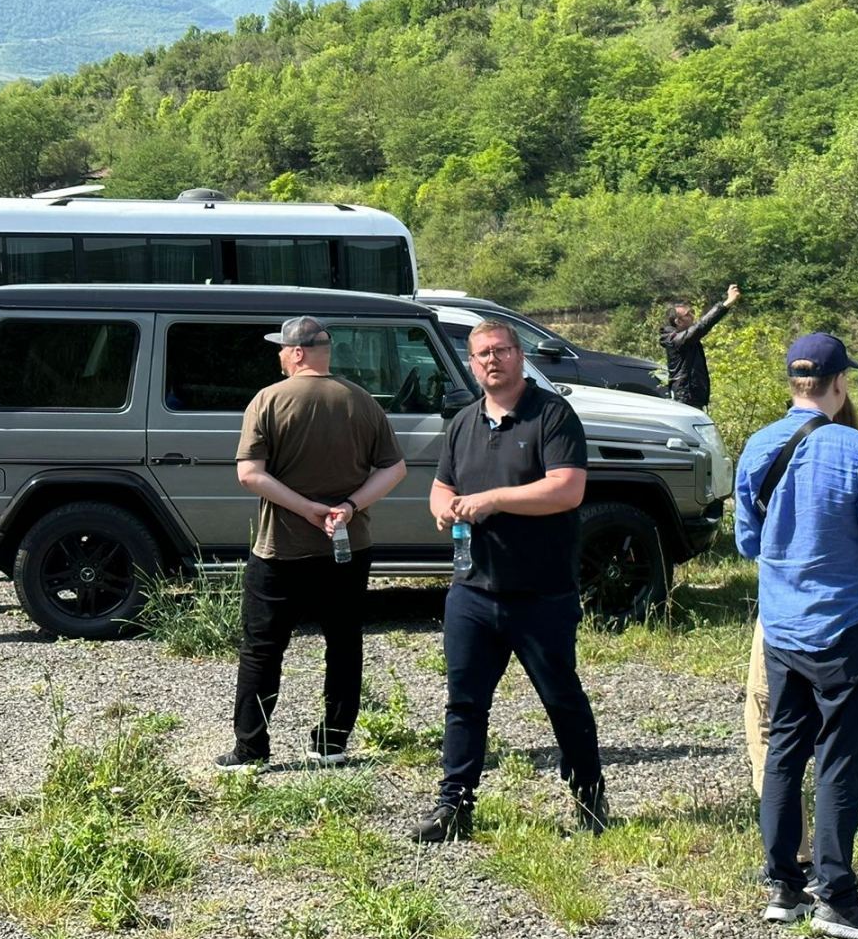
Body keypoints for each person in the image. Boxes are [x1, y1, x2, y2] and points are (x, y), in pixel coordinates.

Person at [735, 332, 858, 939]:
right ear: (839, 383)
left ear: (795, 381)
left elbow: (747, 543)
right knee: (840, 759)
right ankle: (836, 897)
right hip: (843, 628)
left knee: (785, 751)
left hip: (782, 629)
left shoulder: (757, 447)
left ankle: (783, 888)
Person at [413, 319, 608, 844]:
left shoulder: (552, 415)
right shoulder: (464, 422)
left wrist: (495, 499)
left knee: (561, 698)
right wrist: (444, 508)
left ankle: (589, 798)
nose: (491, 360)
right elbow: (440, 486)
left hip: (540, 591)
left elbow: (567, 490)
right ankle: (454, 803)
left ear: (519, 357)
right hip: (472, 590)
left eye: (500, 350)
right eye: (481, 354)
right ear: (472, 364)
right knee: (464, 701)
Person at [216, 316, 407, 770]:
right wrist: (349, 506)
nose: (280, 356)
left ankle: (251, 749)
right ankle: (332, 744)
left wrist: (304, 508)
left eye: (282, 349)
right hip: (348, 546)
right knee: (343, 642)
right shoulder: (361, 401)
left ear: (298, 352)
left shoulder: (267, 400)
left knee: (263, 647)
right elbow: (394, 469)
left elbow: (250, 474)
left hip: (280, 547)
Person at [660, 284, 741, 409]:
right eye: (688, 314)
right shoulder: (674, 340)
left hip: (692, 398)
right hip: (685, 399)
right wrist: (726, 304)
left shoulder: (684, 338)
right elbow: (700, 327)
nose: (692, 316)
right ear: (678, 322)